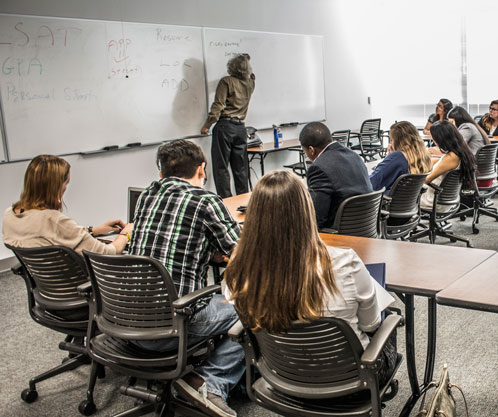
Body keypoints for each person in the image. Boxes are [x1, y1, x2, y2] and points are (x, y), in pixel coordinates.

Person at [223, 171, 397, 389]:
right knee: (389, 317)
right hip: (352, 383)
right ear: (306, 210)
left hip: (282, 377)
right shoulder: (345, 263)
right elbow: (371, 325)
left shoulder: (238, 269)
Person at [128, 140, 243, 417]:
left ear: (161, 172)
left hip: (126, 320)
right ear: (202, 169)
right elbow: (243, 252)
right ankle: (209, 381)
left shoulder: (147, 195)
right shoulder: (205, 200)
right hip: (170, 326)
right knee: (255, 309)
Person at [3, 155, 132, 257]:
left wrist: (95, 230)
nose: (65, 188)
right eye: (66, 183)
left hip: (44, 284)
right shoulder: (52, 220)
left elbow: (57, 234)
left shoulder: (9, 215)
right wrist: (125, 234)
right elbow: (107, 253)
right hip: (78, 286)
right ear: (54, 187)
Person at [200, 53, 255, 199]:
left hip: (225, 127)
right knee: (241, 168)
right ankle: (244, 202)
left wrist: (207, 124)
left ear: (231, 68)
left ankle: (226, 202)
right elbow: (252, 75)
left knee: (221, 168)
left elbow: (218, 104)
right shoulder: (250, 83)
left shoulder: (226, 82)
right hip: (241, 129)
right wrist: (245, 60)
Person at [302, 122, 373, 229]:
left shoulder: (318, 168)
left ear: (311, 150)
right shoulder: (354, 156)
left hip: (340, 234)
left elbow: (316, 219)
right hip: (367, 228)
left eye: (305, 152)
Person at [420, 121, 477, 212]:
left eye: (434, 139)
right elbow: (439, 162)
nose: (433, 141)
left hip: (434, 202)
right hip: (446, 200)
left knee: (400, 195)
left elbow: (427, 180)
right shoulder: (459, 153)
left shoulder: (450, 158)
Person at [369, 121, 432, 193]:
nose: (390, 143)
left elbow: (371, 183)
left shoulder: (398, 156)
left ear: (399, 141)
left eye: (392, 140)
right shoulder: (423, 155)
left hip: (387, 202)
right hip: (408, 203)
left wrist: (389, 158)